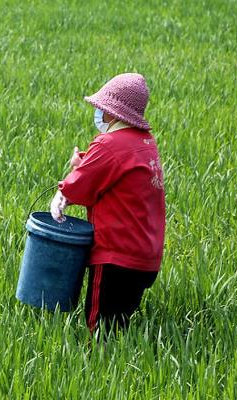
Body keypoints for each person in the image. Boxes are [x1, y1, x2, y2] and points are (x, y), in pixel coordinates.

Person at [49, 73, 166, 335]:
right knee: (119, 323)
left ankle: (99, 368)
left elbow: (84, 183)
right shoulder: (146, 143)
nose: (98, 114)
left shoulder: (109, 143)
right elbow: (110, 166)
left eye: (101, 109)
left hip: (115, 256)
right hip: (144, 256)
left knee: (100, 330)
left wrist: (62, 194)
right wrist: (85, 160)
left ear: (113, 113)